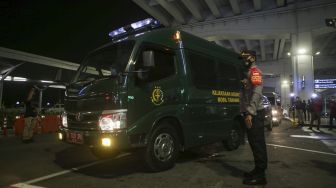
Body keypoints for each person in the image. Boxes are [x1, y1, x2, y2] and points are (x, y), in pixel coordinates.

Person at [239, 50, 267, 185]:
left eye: (246, 57)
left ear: (253, 58)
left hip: (255, 114)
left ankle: (261, 175)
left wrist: (249, 112)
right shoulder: (247, 73)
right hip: (250, 113)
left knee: (258, 143)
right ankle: (257, 169)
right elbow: (244, 95)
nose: (243, 59)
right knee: (253, 143)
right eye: (242, 57)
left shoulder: (255, 72)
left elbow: (257, 93)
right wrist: (243, 111)